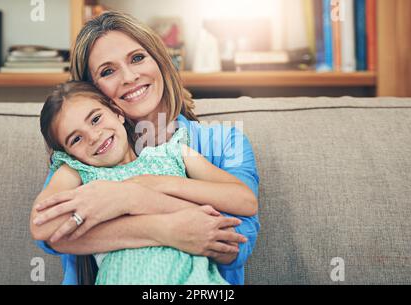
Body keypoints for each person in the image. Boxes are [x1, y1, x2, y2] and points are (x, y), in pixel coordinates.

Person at [31, 11, 260, 285]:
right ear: (92, 91)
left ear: (160, 60)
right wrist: (163, 228)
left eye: (137, 58)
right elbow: (52, 236)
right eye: (107, 71)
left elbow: (233, 243)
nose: (129, 77)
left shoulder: (222, 143)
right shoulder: (85, 158)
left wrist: (132, 196)